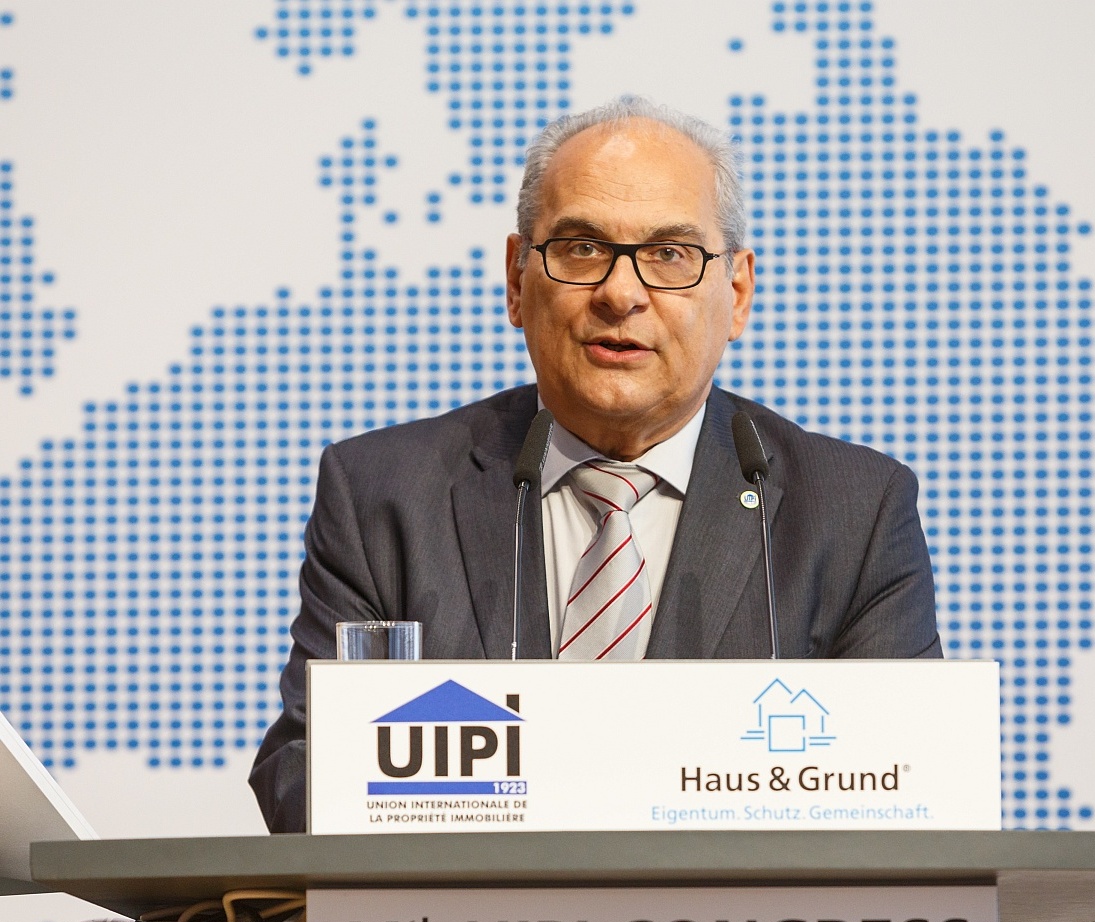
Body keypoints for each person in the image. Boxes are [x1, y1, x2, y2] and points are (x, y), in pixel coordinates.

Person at [249, 96, 942, 833]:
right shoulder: (384, 495)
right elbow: (305, 776)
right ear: (517, 279)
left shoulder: (851, 512)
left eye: (669, 255)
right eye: (581, 248)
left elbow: (913, 795)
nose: (620, 293)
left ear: (736, 294)